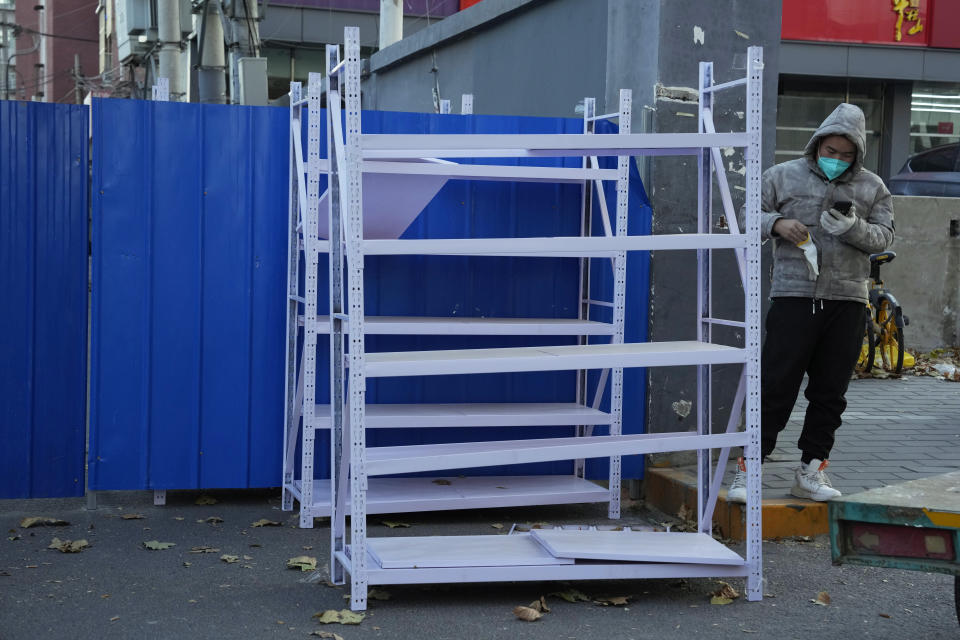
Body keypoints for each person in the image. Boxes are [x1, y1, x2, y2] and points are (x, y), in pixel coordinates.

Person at [728, 103, 895, 503]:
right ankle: (748, 469)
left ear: (857, 153)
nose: (836, 159)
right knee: (774, 385)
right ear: (817, 143)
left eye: (845, 153)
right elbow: (746, 214)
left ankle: (812, 469)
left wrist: (855, 228)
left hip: (849, 299)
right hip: (793, 295)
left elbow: (886, 238)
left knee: (830, 392)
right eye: (830, 150)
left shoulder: (873, 187)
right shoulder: (781, 176)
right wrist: (776, 224)